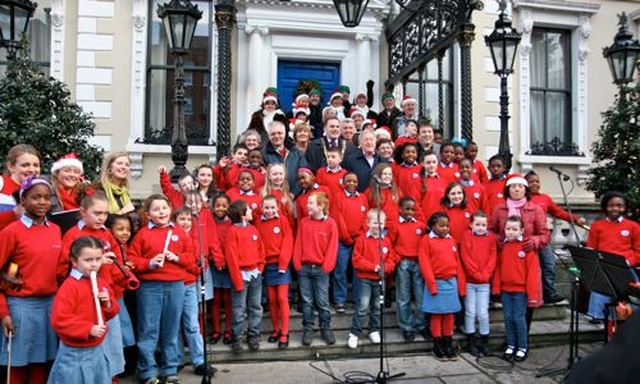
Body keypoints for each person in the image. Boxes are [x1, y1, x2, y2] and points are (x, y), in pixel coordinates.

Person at [59, 190, 126, 380]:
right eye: (97, 213)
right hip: (84, 298)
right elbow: (63, 265)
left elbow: (117, 261)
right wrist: (95, 262)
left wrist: (118, 270)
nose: (102, 218)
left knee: (111, 346)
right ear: (83, 212)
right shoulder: (73, 234)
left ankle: (110, 377)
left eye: (105, 214)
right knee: (92, 348)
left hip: (106, 296)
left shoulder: (106, 233)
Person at [128, 194, 194, 384]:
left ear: (170, 210)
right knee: (148, 329)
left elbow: (191, 257)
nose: (161, 212)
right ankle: (147, 371)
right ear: (148, 215)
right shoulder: (142, 234)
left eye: (164, 208)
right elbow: (132, 260)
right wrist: (149, 263)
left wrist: (177, 258)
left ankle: (170, 369)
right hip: (150, 287)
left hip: (176, 285)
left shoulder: (180, 232)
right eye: (156, 209)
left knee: (171, 329)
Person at [0, 177, 60, 384]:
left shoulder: (55, 230)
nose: (43, 202)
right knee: (16, 363)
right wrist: (3, 313)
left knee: (42, 363)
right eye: (36, 197)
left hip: (49, 305)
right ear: (23, 200)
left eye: (47, 197)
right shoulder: (11, 232)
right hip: (20, 307)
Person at [48, 236, 119, 384]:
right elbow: (59, 320)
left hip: (98, 348)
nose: (94, 265)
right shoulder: (70, 286)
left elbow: (113, 311)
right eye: (88, 260)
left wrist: (107, 303)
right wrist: (88, 329)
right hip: (74, 352)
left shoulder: (100, 281)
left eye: (98, 259)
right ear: (74, 261)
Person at [525, 171, 584, 304]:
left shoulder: (545, 198)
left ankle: (548, 292)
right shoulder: (522, 197)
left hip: (542, 238)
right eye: (531, 181)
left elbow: (558, 212)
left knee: (548, 264)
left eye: (537, 181)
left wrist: (574, 219)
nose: (535, 184)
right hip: (527, 238)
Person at [172, 205, 218, 377]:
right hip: (172, 286)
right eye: (181, 219)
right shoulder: (170, 238)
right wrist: (185, 263)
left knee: (192, 324)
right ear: (174, 221)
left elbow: (199, 266)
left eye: (188, 220)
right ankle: (176, 359)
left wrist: (183, 262)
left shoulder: (195, 241)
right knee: (174, 325)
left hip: (190, 285)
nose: (185, 223)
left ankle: (199, 360)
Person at [492, 215, 542, 362]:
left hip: (520, 291)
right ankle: (511, 344)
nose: (511, 232)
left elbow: (532, 273)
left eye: (514, 229)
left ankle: (522, 347)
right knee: (507, 318)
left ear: (521, 230)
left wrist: (532, 295)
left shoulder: (527, 248)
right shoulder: (503, 247)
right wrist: (496, 288)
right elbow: (498, 269)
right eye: (508, 229)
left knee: (519, 319)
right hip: (506, 290)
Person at [586, 192, 640, 325]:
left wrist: (627, 262)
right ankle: (597, 316)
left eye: (619, 206)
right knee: (600, 286)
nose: (615, 209)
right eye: (611, 205)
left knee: (635, 292)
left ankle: (632, 317)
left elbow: (638, 251)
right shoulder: (597, 226)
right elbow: (591, 248)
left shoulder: (633, 226)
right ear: (605, 207)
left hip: (625, 267)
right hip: (603, 267)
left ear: (625, 207)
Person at [293, 192, 338, 346]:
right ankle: (308, 328)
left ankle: (325, 327)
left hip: (321, 270)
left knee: (323, 301)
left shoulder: (330, 223)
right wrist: (297, 263)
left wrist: (327, 266)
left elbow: (333, 247)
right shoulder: (304, 222)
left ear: (321, 206)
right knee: (306, 301)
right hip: (304, 268)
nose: (307, 206)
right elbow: (298, 242)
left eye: (310, 203)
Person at [419, 212, 466, 361]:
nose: (445, 228)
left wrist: (461, 287)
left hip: (450, 282)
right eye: (441, 226)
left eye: (447, 225)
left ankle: (448, 344)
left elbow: (457, 263)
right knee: (437, 314)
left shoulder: (451, 240)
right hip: (436, 282)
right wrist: (432, 285)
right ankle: (437, 345)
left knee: (449, 314)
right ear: (433, 226)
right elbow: (425, 263)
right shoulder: (426, 240)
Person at [347, 209, 395, 349]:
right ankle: (354, 333)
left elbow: (391, 260)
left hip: (380, 280)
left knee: (376, 307)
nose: (377, 226)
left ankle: (374, 330)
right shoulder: (362, 240)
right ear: (367, 223)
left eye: (380, 223)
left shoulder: (386, 241)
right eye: (374, 222)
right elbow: (356, 260)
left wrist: (385, 268)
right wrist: (373, 267)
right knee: (362, 306)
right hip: (365, 279)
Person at [224, 200, 265, 354]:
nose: (251, 211)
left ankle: (254, 334)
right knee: (239, 309)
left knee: (256, 307)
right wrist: (237, 280)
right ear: (242, 214)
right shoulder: (232, 232)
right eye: (248, 209)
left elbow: (261, 250)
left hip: (255, 274)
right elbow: (231, 258)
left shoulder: (253, 229)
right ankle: (237, 337)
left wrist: (260, 268)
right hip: (240, 275)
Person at [255, 195, 293, 349]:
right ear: (261, 208)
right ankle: (276, 329)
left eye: (272, 207)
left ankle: (285, 331)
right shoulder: (258, 221)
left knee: (282, 298)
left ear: (277, 207)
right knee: (271, 299)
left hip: (281, 264)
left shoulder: (282, 220)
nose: (269, 211)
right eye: (266, 208)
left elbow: (288, 241)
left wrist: (283, 263)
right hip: (267, 265)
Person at [390, 196, 429, 342]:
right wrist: (397, 258)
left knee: (420, 296)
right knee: (403, 297)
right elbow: (390, 244)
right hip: (404, 264)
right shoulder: (395, 225)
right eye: (407, 209)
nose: (410, 212)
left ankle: (421, 324)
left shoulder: (420, 226)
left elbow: (425, 244)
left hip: (418, 263)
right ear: (400, 209)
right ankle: (406, 327)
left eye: (412, 209)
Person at [460, 211, 497, 356]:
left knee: (482, 313)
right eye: (477, 224)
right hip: (470, 281)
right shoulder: (466, 236)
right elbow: (466, 257)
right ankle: (471, 341)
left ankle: (484, 340)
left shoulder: (491, 238)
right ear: (471, 225)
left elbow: (492, 258)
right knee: (470, 312)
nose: (481, 227)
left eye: (484, 225)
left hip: (484, 283)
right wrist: (476, 273)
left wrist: (485, 274)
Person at [331, 172, 368, 312]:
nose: (351, 184)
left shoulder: (362, 198)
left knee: (358, 271)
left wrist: (359, 236)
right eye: (348, 181)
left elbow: (365, 219)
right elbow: (337, 218)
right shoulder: (338, 197)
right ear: (343, 183)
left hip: (358, 240)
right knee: (340, 270)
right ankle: (340, 300)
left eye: (354, 181)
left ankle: (359, 299)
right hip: (343, 240)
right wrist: (346, 238)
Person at [105, 214, 137, 376]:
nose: (125, 233)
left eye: (128, 230)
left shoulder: (124, 247)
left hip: (121, 293)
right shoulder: (108, 248)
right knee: (120, 327)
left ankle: (128, 363)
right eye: (120, 229)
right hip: (113, 294)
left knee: (125, 326)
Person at [0, 144, 41, 230]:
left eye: (36, 165)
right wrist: (13, 214)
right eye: (25, 165)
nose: (32, 170)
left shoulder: (40, 190)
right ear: (10, 166)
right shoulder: (2, 183)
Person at [210, 194, 233, 345]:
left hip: (229, 266)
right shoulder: (211, 223)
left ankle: (228, 330)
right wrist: (215, 259)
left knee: (228, 299)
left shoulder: (232, 223)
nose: (220, 209)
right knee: (216, 299)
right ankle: (217, 329)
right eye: (218, 205)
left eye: (224, 206)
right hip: (214, 265)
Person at [262, 120, 308, 196]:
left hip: (296, 197)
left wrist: (293, 193)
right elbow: (264, 178)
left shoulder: (296, 152)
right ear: (268, 135)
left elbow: (303, 175)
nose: (277, 136)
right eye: (273, 134)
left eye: (279, 133)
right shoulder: (263, 154)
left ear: (285, 133)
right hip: (273, 198)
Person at [419, 150, 447, 221]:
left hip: (441, 220)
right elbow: (416, 203)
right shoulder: (419, 181)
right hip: (425, 219)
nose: (431, 165)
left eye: (434, 162)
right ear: (422, 163)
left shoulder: (443, 181)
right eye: (428, 163)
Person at [483, 154, 507, 219]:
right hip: (489, 219)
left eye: (498, 166)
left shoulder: (508, 184)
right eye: (492, 166)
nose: (495, 168)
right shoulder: (483, 185)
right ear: (488, 168)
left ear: (504, 168)